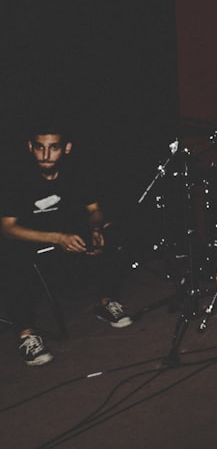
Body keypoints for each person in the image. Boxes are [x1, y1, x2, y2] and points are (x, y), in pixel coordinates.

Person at [0, 125, 133, 366]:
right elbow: (7, 228)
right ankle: (27, 334)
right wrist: (57, 238)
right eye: (39, 147)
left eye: (54, 148)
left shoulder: (77, 173)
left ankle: (105, 301)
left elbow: (94, 210)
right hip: (32, 245)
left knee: (112, 231)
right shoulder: (15, 178)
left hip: (68, 244)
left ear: (67, 148)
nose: (46, 155)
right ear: (30, 147)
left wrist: (95, 228)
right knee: (11, 253)